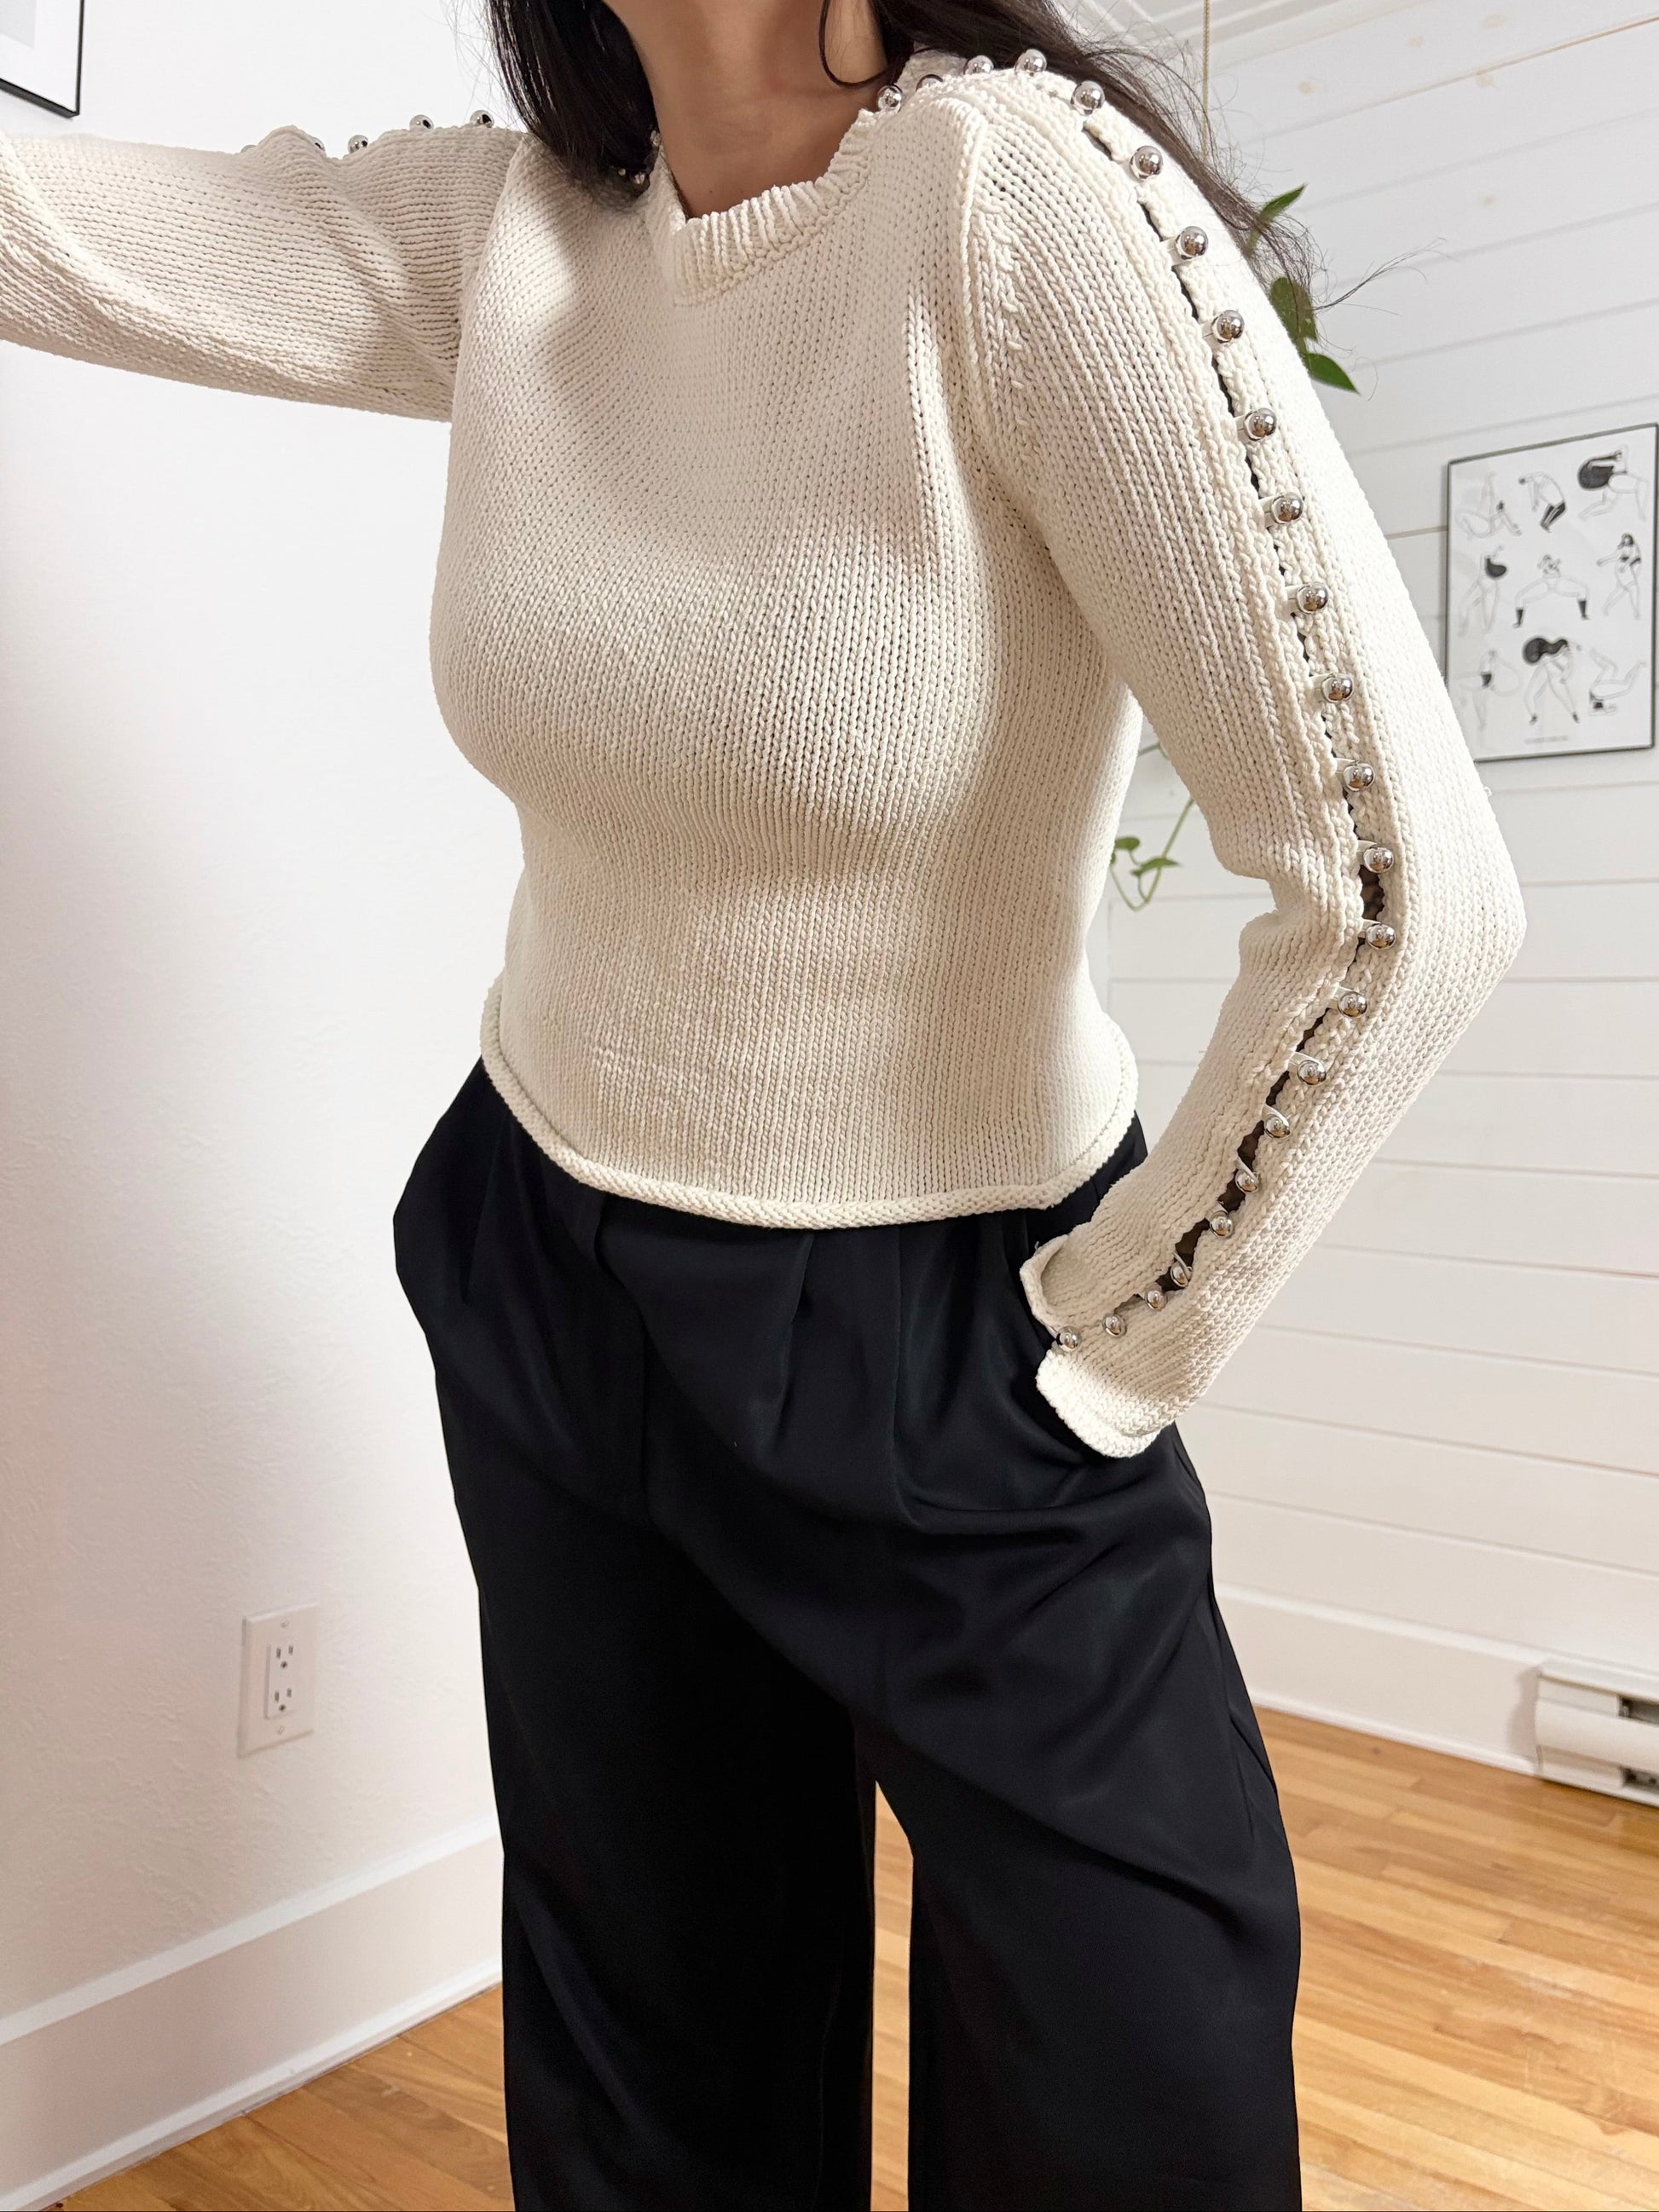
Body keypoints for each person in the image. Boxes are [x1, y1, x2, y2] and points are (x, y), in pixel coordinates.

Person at [0, 2, 1527, 2205]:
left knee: (1135, 2102)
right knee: (650, 2103)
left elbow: (1400, 892)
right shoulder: (524, 230)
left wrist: (1111, 1351)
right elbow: (54, 231)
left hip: (955, 1315)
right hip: (555, 1279)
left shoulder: (1008, 199)